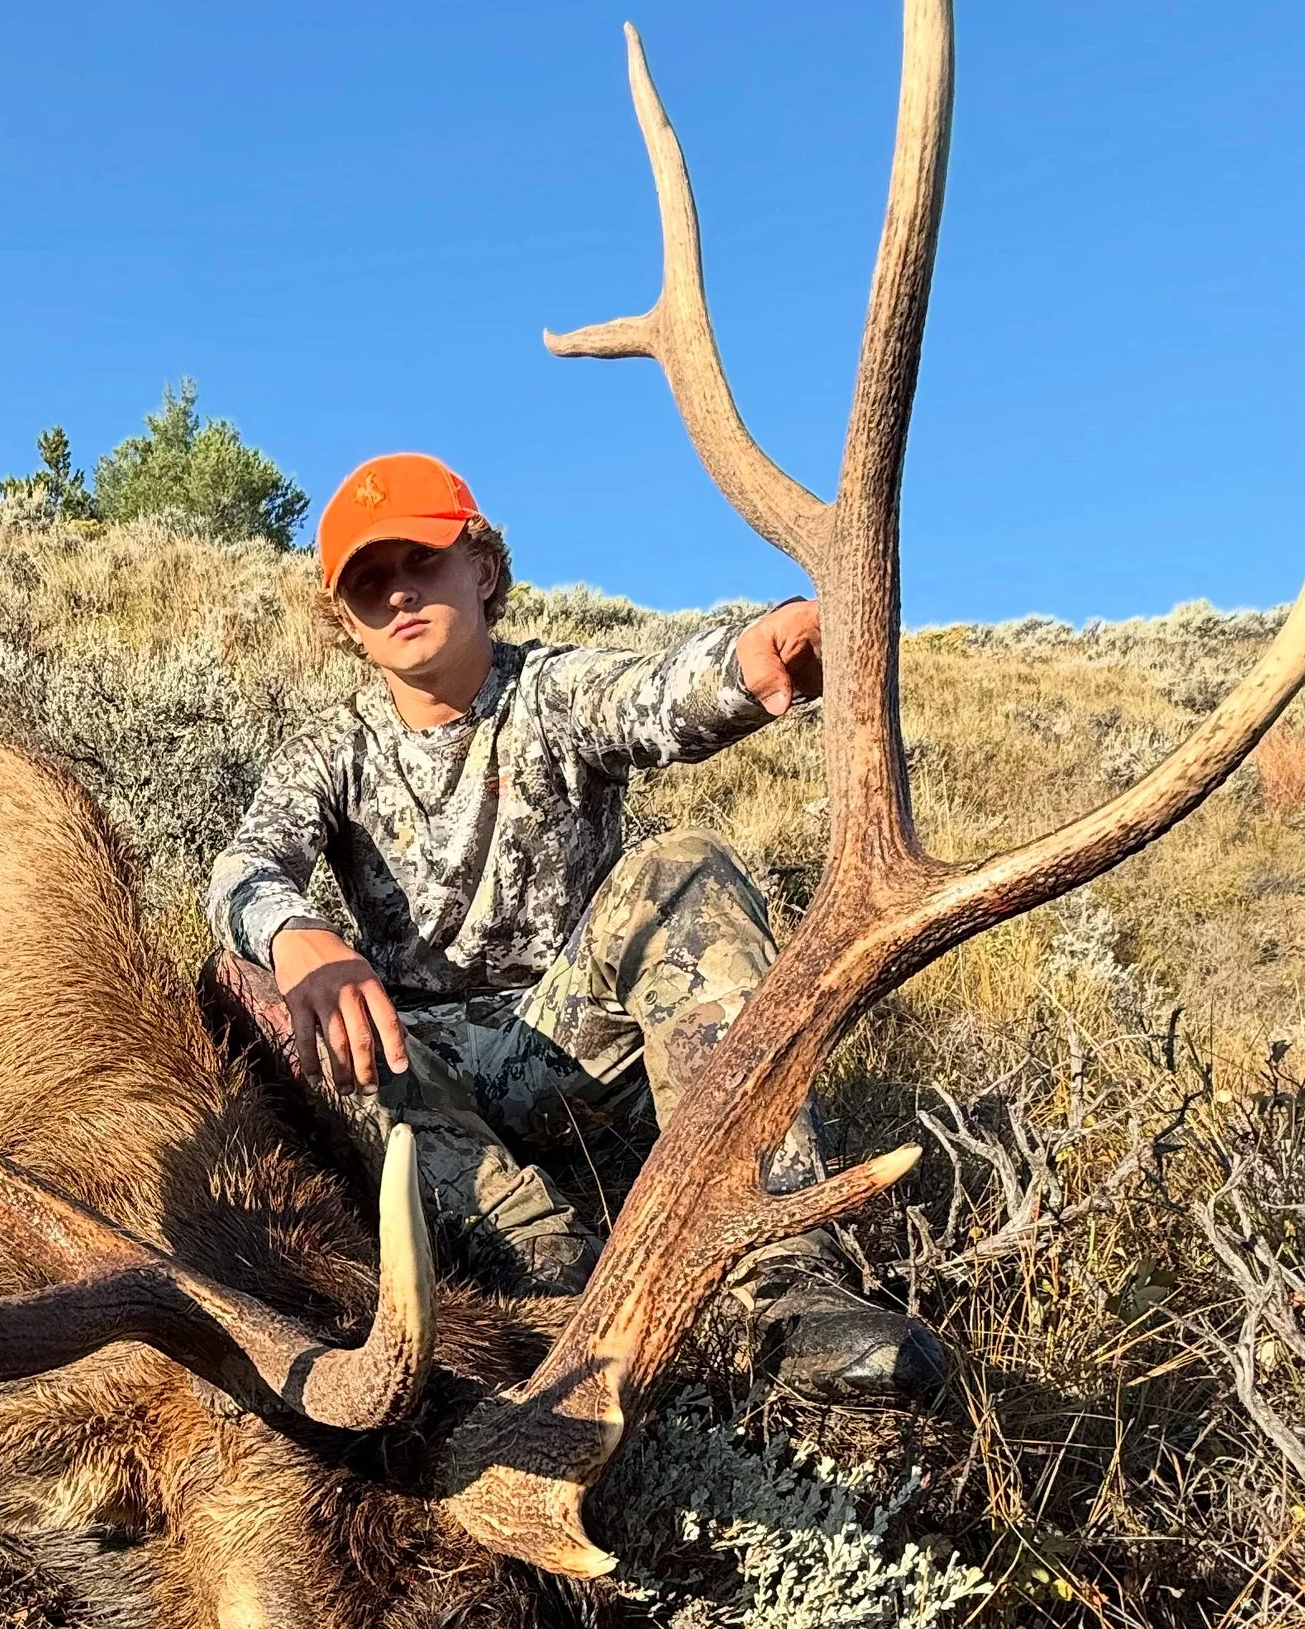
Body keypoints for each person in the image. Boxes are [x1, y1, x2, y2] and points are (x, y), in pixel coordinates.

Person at [204, 451, 947, 1408]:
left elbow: (655, 694)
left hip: (577, 1048)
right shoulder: (329, 754)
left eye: (421, 562)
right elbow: (241, 868)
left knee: (682, 867)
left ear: (480, 567)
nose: (399, 596)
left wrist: (747, 659)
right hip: (419, 1065)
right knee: (265, 991)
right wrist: (296, 931)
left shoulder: (553, 692)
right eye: (368, 584)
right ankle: (564, 1297)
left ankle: (783, 1284)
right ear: (344, 621)